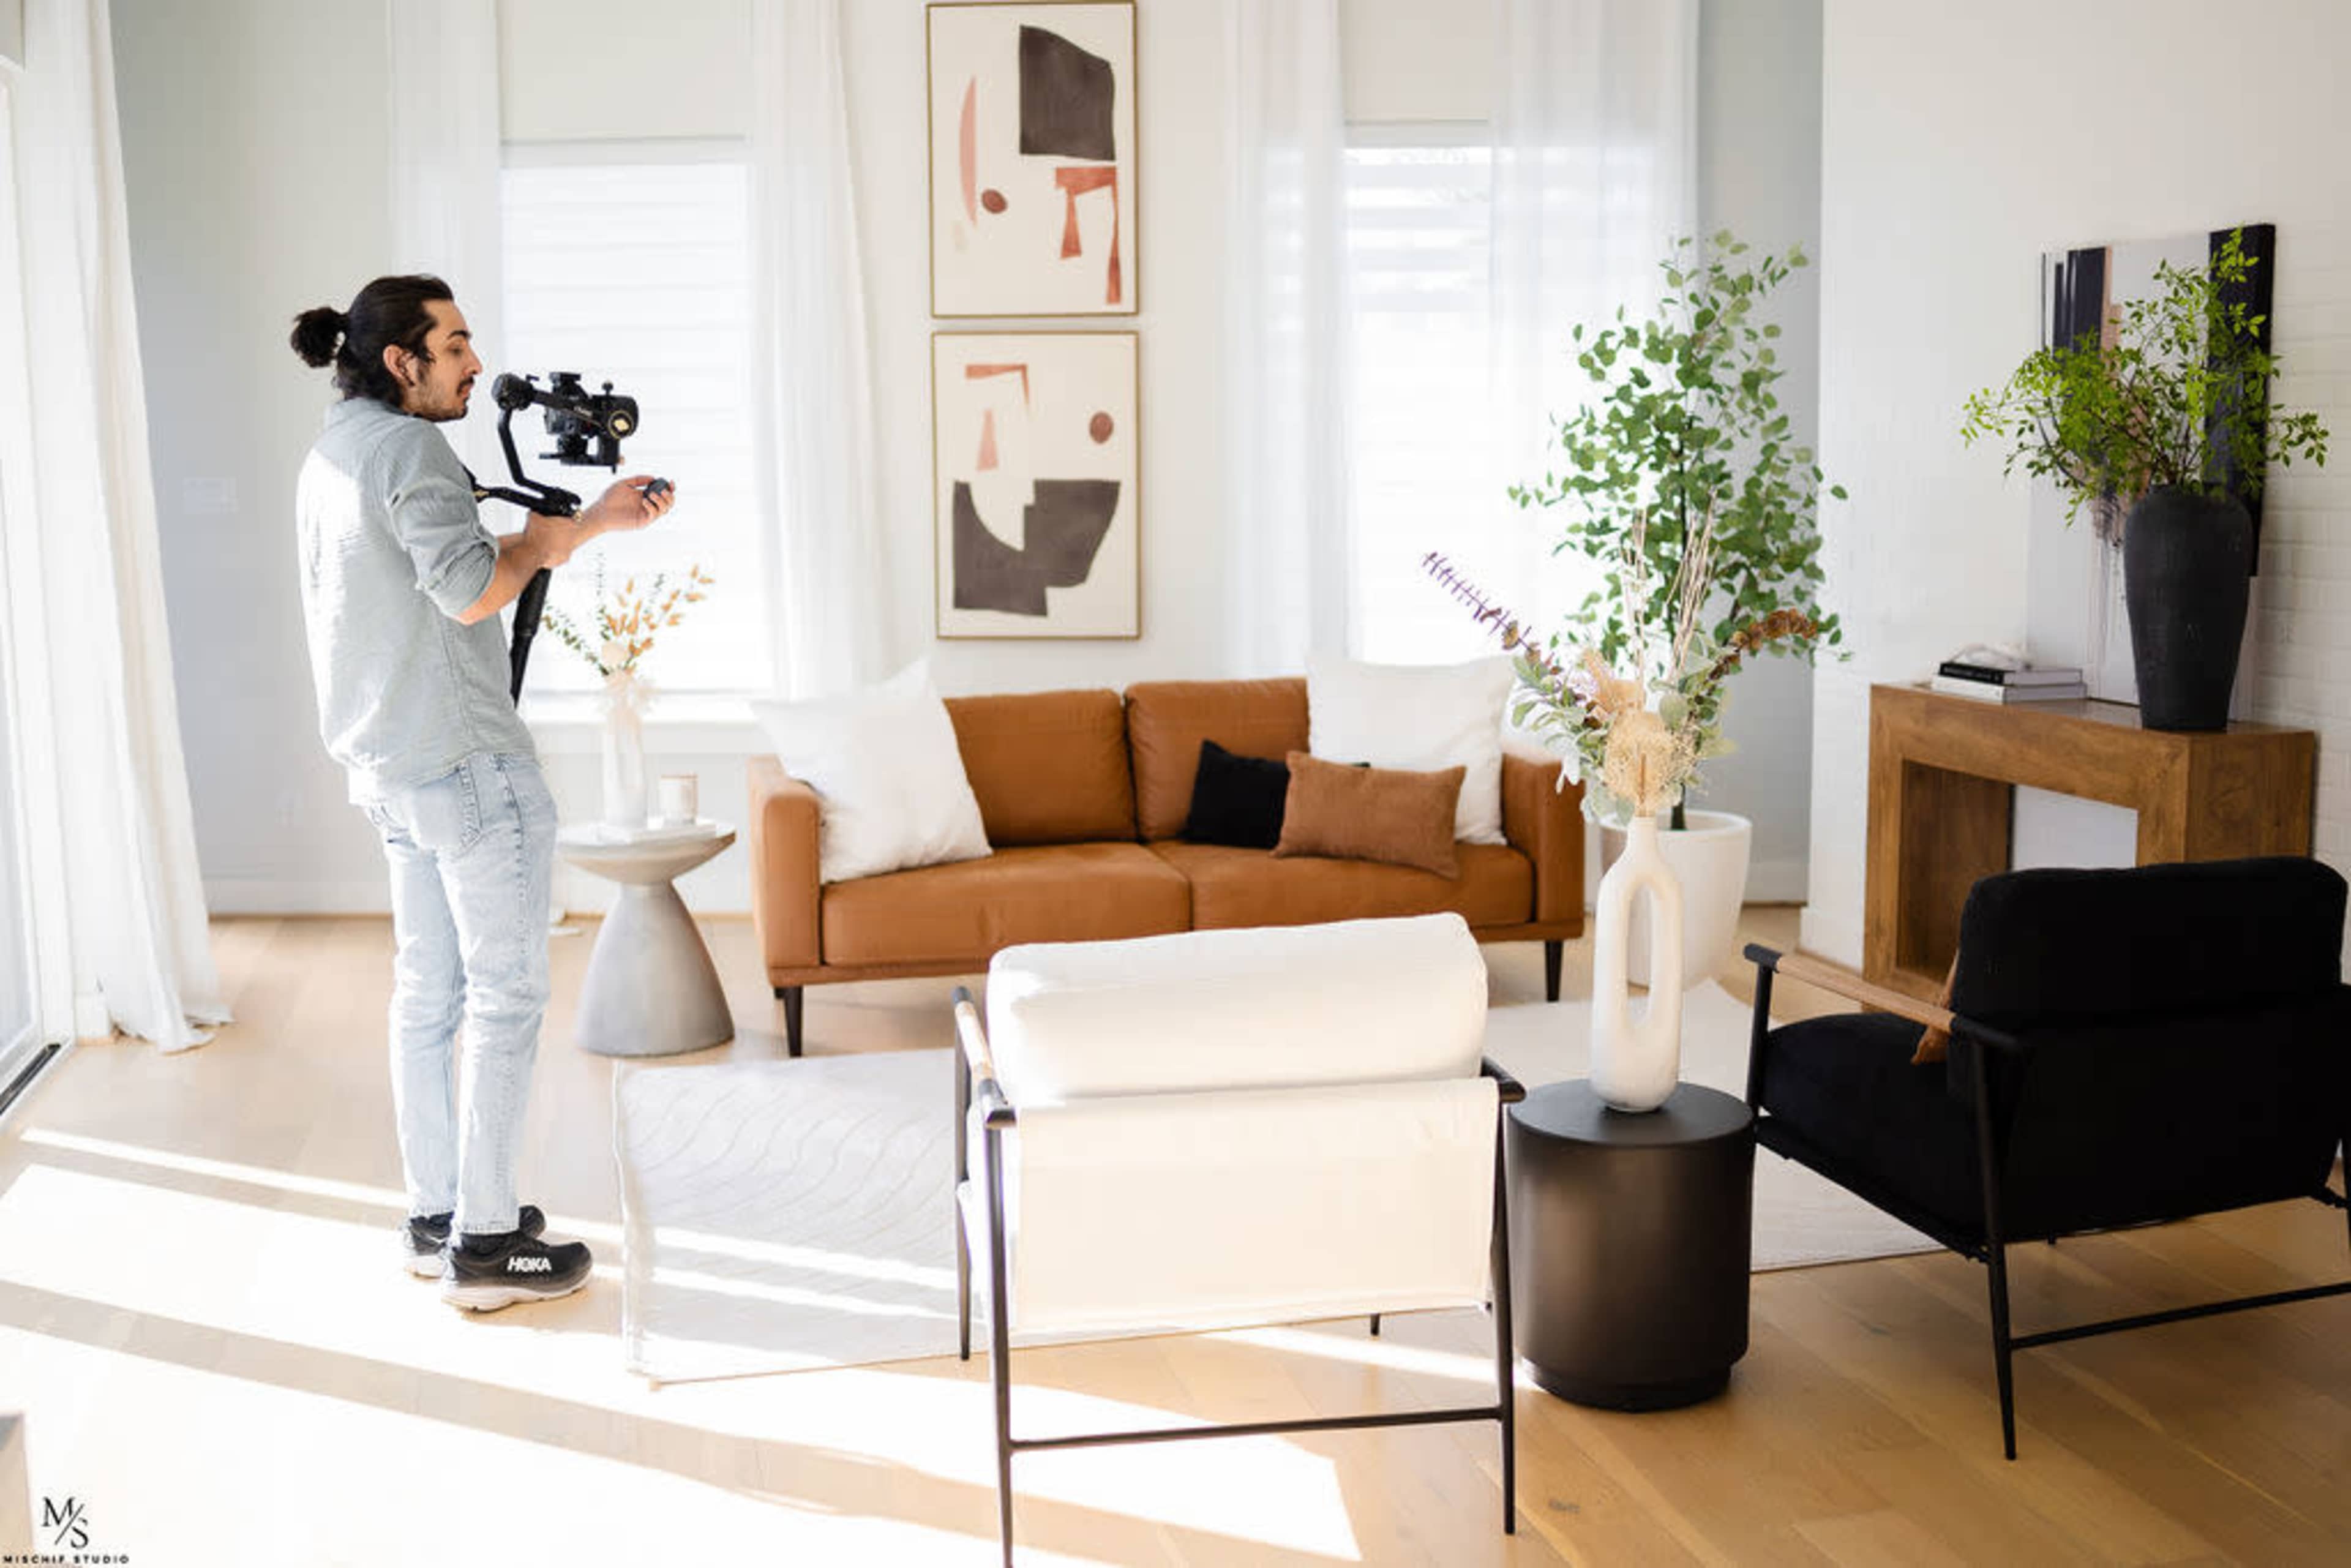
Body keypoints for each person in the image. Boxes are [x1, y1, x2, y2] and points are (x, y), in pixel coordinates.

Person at [289, 274, 675, 1311]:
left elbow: (440, 570)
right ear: (403, 362)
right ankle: (489, 1246)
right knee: (505, 999)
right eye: (454, 346)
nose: (472, 363)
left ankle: (440, 1214)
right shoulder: (413, 450)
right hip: (465, 765)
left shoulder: (337, 452)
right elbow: (471, 592)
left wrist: (584, 525)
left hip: (390, 766)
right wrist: (562, 537)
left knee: (427, 995)